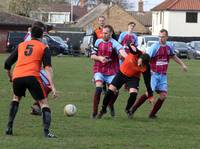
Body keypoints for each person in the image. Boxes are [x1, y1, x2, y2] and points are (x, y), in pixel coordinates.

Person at [4, 26, 57, 138]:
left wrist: (10, 76)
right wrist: (52, 86)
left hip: (17, 76)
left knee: (16, 98)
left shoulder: (21, 45)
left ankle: (9, 127)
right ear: (42, 36)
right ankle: (47, 132)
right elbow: (47, 68)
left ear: (30, 34)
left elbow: (7, 63)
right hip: (32, 76)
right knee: (43, 103)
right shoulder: (44, 47)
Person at [130, 29, 188, 118]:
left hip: (163, 75)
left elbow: (173, 56)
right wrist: (144, 64)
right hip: (154, 75)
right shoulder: (154, 47)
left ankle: (152, 114)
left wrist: (182, 65)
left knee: (163, 96)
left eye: (163, 37)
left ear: (167, 37)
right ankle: (132, 110)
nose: (161, 39)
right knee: (148, 93)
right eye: (159, 37)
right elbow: (146, 57)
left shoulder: (169, 46)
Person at [97, 43, 153, 119]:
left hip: (133, 77)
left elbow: (147, 82)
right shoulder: (136, 53)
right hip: (122, 73)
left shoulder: (146, 67)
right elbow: (131, 47)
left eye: (141, 65)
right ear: (140, 57)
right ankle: (103, 109)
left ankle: (128, 109)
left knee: (134, 93)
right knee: (110, 90)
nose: (139, 65)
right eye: (140, 62)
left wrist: (150, 96)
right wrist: (131, 45)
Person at [91, 25, 127, 119]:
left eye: (106, 33)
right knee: (98, 89)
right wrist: (99, 58)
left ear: (111, 33)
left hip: (112, 71)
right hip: (99, 70)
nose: (104, 34)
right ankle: (94, 112)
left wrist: (128, 58)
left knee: (115, 91)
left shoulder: (114, 43)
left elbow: (121, 51)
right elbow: (92, 56)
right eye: (103, 32)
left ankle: (110, 104)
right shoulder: (98, 42)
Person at [24, 22, 51, 116]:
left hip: (28, 67)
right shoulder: (35, 39)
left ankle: (37, 106)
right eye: (43, 31)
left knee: (17, 96)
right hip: (34, 68)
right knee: (48, 85)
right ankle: (37, 105)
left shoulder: (29, 38)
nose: (44, 33)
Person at [92, 16, 118, 95]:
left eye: (103, 21)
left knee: (110, 72)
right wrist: (96, 54)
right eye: (100, 21)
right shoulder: (96, 31)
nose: (102, 22)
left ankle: (108, 85)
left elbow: (115, 41)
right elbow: (94, 43)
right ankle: (101, 85)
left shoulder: (110, 30)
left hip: (109, 54)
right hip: (100, 52)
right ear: (98, 22)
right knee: (99, 67)